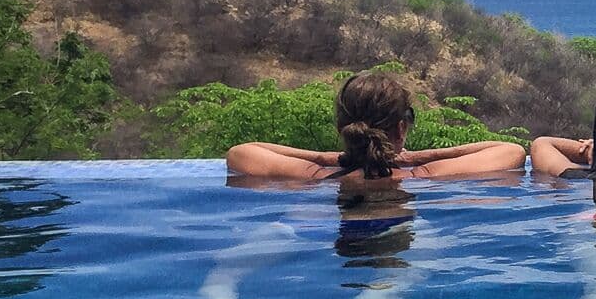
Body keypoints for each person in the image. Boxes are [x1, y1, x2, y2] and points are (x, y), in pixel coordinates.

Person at [224, 70, 526, 181]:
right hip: (392, 229)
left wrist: (329, 160)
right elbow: (510, 151)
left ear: (342, 127)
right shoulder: (421, 175)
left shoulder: (316, 175)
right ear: (401, 128)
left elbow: (242, 152)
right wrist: (413, 158)